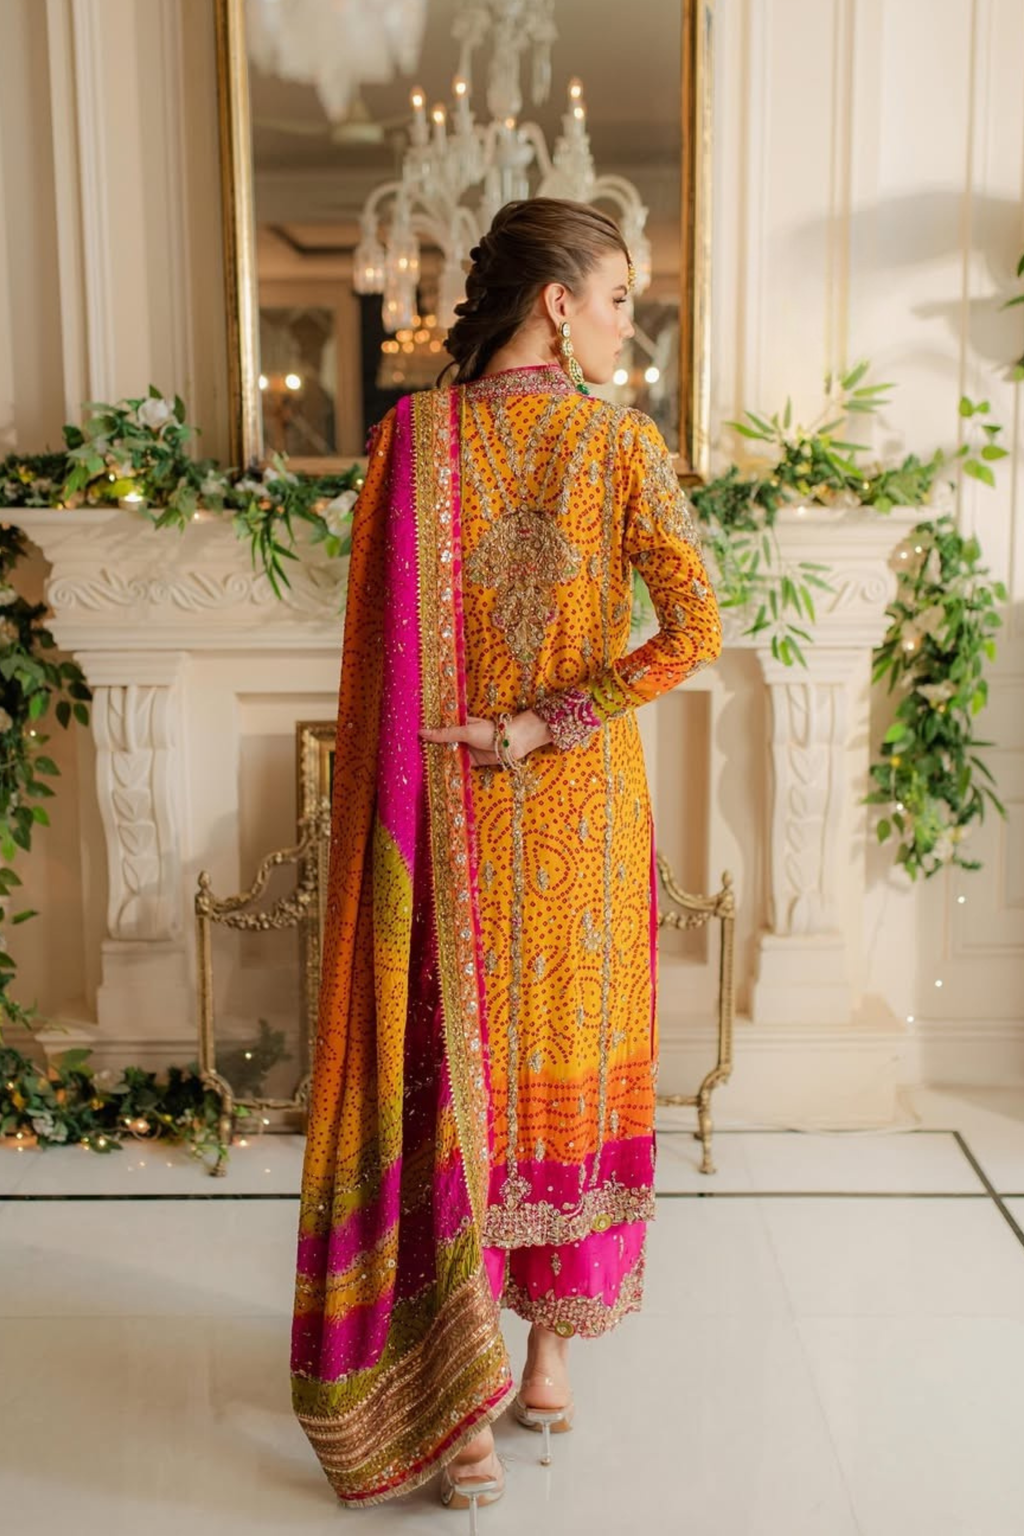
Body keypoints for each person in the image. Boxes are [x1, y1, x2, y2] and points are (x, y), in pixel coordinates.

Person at [290, 196, 723, 1520]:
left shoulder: (407, 443)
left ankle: (465, 1404)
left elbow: (375, 666)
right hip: (578, 815)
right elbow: (696, 626)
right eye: (612, 298)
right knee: (567, 1082)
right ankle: (538, 1366)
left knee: (454, 1080)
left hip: (447, 829)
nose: (621, 322)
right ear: (554, 304)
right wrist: (555, 722)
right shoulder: (618, 446)